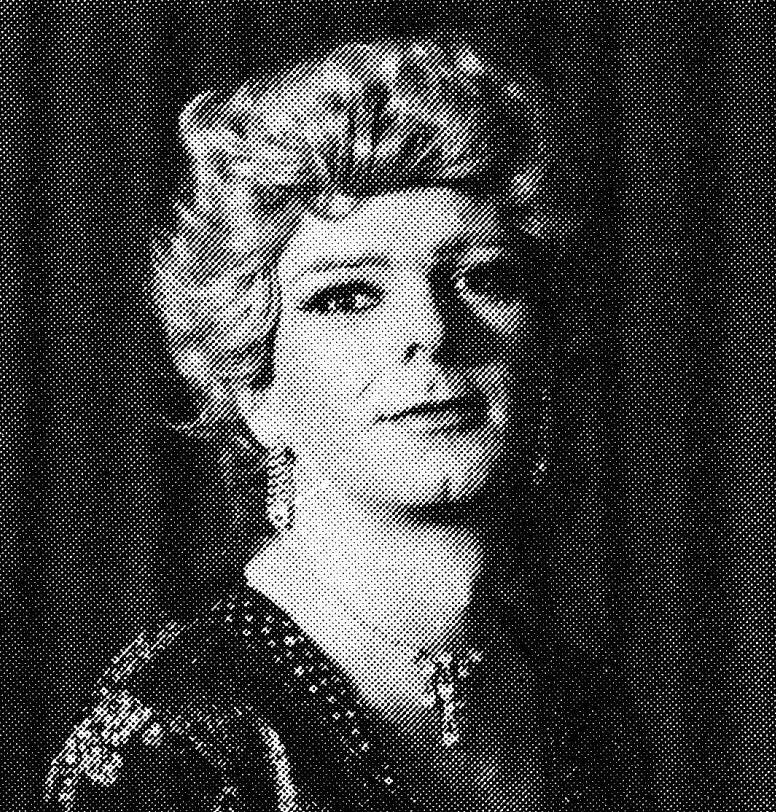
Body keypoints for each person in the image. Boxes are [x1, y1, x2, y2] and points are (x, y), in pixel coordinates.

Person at [44, 34, 652, 812]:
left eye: (480, 279)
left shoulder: (584, 712)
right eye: (346, 298)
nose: (429, 331)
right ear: (257, 389)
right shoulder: (175, 738)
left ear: (544, 347)